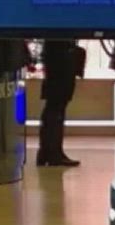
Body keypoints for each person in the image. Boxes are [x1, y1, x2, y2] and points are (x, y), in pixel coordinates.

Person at [36, 37, 84, 168]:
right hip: (61, 60)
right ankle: (52, 152)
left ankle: (47, 151)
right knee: (56, 108)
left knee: (54, 108)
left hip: (57, 59)